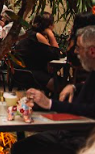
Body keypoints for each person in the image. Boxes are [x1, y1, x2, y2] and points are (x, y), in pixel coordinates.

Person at [13, 25, 95, 154]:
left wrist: (49, 103)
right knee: (21, 146)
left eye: (78, 48)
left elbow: (89, 110)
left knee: (23, 148)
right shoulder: (92, 70)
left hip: (84, 139)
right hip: (73, 131)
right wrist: (73, 86)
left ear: (92, 52)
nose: (75, 52)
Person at [13, 13, 63, 92]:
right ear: (49, 26)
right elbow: (56, 54)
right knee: (60, 85)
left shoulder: (30, 33)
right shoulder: (37, 36)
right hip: (28, 73)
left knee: (58, 80)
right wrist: (51, 35)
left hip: (20, 71)